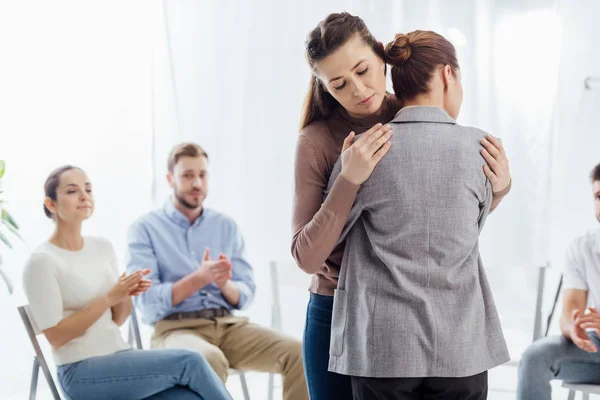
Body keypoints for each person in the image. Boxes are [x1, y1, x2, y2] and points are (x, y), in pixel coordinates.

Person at [292, 12, 512, 400]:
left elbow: (438, 218)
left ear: (382, 58)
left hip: (407, 319)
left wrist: (498, 189)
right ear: (324, 87)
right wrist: (349, 180)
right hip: (336, 306)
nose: (359, 90)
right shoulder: (317, 141)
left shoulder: (413, 117)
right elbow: (307, 258)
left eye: (363, 70)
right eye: (340, 84)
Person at [22, 165, 232, 400]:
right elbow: (56, 337)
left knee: (189, 397)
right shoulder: (42, 262)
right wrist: (108, 298)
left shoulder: (102, 247)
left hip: (119, 357)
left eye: (88, 189)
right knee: (190, 361)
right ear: (51, 204)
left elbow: (117, 318)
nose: (84, 196)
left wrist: (126, 293)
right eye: (72, 191)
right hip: (80, 371)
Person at [127, 143, 308, 400]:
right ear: (170, 179)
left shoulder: (225, 225)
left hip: (228, 325)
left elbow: (245, 292)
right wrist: (199, 279)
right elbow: (147, 303)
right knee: (209, 360)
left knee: (300, 353)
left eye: (202, 175)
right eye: (187, 175)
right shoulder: (145, 229)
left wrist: (225, 285)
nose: (197, 183)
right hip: (176, 330)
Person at [517, 163, 600, 399]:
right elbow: (570, 311)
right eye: (599, 196)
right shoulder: (582, 247)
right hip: (596, 348)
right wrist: (573, 327)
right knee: (535, 358)